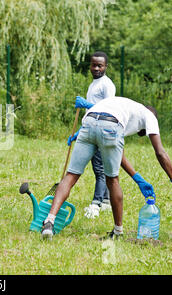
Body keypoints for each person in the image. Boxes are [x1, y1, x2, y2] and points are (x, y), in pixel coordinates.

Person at [41, 96, 172, 240]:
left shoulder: (126, 107)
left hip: (89, 120)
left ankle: (49, 221)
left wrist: (137, 178)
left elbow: (119, 156)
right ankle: (118, 232)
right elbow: (160, 152)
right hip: (110, 125)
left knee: (71, 176)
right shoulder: (150, 116)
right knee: (112, 180)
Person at [68, 51, 115, 218]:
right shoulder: (93, 84)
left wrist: (87, 104)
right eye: (94, 65)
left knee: (100, 169)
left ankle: (96, 204)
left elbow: (108, 108)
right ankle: (107, 201)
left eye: (100, 65)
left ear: (105, 67)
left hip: (102, 130)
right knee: (102, 169)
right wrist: (80, 132)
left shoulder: (106, 84)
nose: (96, 68)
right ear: (90, 66)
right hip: (91, 128)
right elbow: (90, 113)